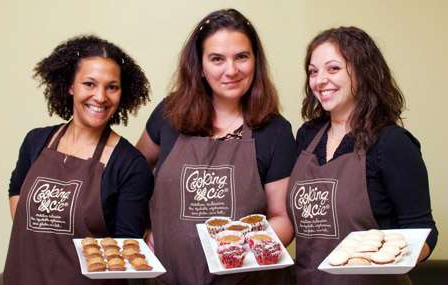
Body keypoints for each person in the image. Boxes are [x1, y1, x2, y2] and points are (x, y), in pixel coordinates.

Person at [136, 8, 296, 285]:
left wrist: (241, 251)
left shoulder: (275, 131)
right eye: (217, 59)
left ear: (255, 61)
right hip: (167, 278)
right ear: (199, 65)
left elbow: (282, 218)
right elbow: (133, 176)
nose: (231, 70)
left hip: (246, 280)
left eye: (242, 57)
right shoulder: (169, 114)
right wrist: (145, 229)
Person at [286, 26, 438, 284]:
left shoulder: (392, 144)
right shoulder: (306, 136)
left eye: (333, 68)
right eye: (313, 71)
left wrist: (391, 258)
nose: (319, 80)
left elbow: (424, 233)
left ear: (363, 71)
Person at [4, 35, 153, 285]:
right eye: (89, 84)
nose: (100, 97)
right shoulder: (36, 141)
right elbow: (16, 191)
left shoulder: (130, 165)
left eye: (112, 87)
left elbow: (126, 249)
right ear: (70, 86)